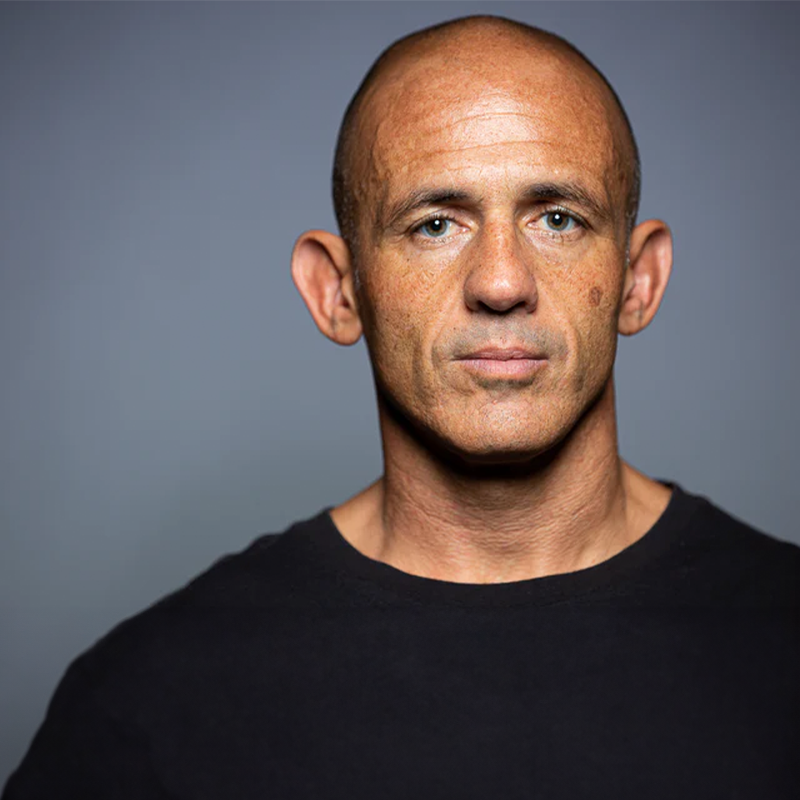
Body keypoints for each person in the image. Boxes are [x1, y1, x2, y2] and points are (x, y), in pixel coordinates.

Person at [4, 14, 799, 799]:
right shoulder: (148, 709)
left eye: (558, 219)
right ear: (337, 291)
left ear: (638, 280)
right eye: (435, 224)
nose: (500, 282)